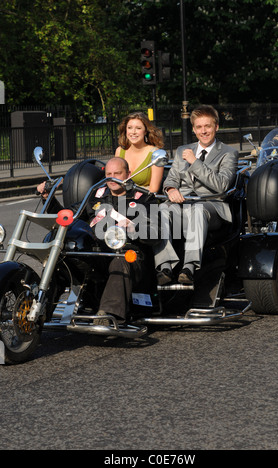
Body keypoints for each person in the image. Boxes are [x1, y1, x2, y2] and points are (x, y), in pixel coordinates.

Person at [37, 157, 159, 326]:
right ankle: (40, 308)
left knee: (120, 261)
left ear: (128, 174)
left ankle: (108, 314)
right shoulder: (96, 195)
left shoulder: (143, 198)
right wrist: (48, 198)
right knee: (61, 258)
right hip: (98, 255)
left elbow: (156, 233)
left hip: (131, 257)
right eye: (109, 174)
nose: (113, 178)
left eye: (117, 173)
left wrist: (134, 228)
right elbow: (69, 216)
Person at [153, 104, 239, 286]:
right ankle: (165, 266)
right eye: (199, 127)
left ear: (216, 127)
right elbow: (172, 179)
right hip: (182, 204)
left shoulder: (229, 153)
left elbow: (222, 186)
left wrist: (194, 162)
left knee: (197, 211)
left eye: (207, 126)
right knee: (161, 209)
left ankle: (189, 268)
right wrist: (170, 189)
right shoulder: (182, 150)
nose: (204, 131)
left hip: (212, 206)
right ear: (193, 129)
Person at [115, 111, 164, 193]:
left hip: (145, 201)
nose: (133, 132)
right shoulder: (119, 151)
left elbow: (153, 190)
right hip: (121, 199)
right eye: (130, 128)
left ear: (145, 131)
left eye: (138, 128)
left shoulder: (156, 154)